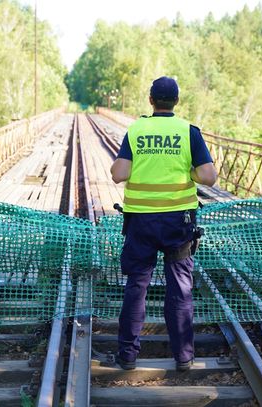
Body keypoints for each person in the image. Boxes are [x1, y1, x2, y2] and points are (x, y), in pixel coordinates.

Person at [111, 76, 218, 371]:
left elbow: (118, 174)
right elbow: (208, 177)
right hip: (178, 223)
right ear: (176, 101)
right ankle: (184, 357)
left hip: (141, 223)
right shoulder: (188, 131)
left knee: (137, 287)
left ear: (151, 100)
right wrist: (188, 172)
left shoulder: (137, 130)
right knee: (181, 288)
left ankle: (128, 356)